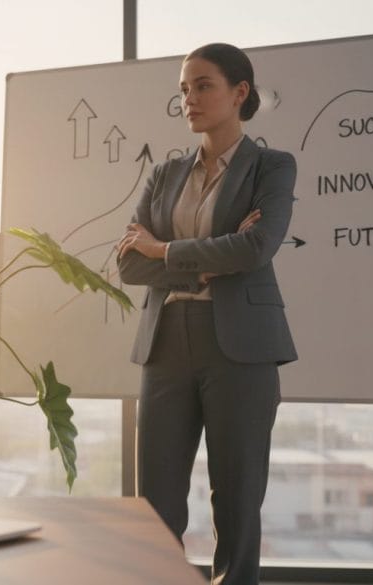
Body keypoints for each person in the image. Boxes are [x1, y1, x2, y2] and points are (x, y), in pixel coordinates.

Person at [116, 42, 298, 585]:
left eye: (203, 86)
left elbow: (254, 249)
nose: (189, 99)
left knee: (238, 497)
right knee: (156, 498)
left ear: (240, 93)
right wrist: (200, 265)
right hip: (166, 340)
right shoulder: (164, 174)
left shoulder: (272, 167)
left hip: (241, 346)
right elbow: (128, 263)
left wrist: (163, 249)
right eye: (183, 89)